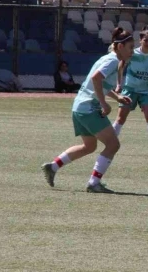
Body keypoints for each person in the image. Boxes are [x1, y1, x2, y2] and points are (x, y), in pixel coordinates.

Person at [40, 28, 135, 193]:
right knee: (113, 144)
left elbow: (100, 84)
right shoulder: (113, 61)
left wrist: (117, 97)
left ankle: (53, 166)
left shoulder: (108, 58)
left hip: (79, 107)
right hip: (89, 107)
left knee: (89, 146)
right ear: (120, 46)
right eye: (130, 47)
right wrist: (104, 104)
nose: (132, 51)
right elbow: (96, 78)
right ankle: (94, 183)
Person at [112, 27, 148, 157]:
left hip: (147, 91)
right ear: (140, 40)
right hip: (130, 89)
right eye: (146, 40)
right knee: (121, 118)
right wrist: (118, 84)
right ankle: (110, 143)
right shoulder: (132, 54)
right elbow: (121, 66)